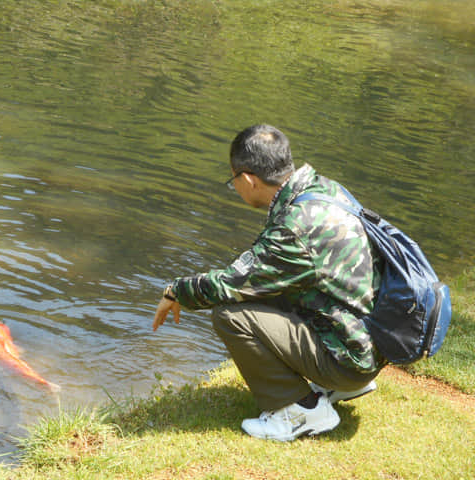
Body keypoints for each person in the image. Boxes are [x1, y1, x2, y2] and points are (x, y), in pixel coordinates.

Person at [153, 124, 386, 442]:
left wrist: (176, 290)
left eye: (233, 179)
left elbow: (232, 284)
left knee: (229, 314)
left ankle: (300, 412)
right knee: (264, 293)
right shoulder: (326, 190)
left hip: (349, 358)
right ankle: (335, 385)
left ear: (247, 179)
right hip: (370, 340)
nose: (235, 186)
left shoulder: (295, 226)